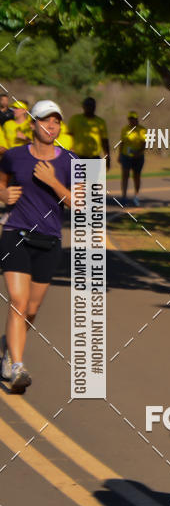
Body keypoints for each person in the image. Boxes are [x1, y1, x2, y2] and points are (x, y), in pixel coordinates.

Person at [0, 100, 76, 393]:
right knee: (18, 302)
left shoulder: (70, 160)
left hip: (49, 240)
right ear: (33, 124)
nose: (51, 126)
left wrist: (54, 182)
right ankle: (17, 366)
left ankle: (8, 350)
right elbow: (2, 180)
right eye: (45, 120)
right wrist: (4, 193)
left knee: (31, 310)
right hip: (15, 234)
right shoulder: (15, 156)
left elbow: (80, 203)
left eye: (56, 121)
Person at [68, 97, 110, 167]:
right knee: (79, 178)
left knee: (93, 178)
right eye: (87, 105)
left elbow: (104, 140)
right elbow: (69, 137)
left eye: (92, 105)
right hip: (78, 157)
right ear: (83, 106)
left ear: (95, 107)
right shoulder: (75, 119)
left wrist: (107, 157)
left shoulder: (100, 122)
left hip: (94, 157)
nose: (90, 107)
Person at [119, 111, 147, 206]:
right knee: (125, 175)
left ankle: (136, 196)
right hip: (125, 155)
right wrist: (119, 155)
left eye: (133, 119)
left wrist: (138, 153)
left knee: (136, 177)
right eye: (130, 119)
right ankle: (124, 197)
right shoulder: (125, 129)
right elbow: (122, 143)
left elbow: (144, 144)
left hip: (138, 157)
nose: (132, 121)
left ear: (137, 119)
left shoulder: (142, 130)